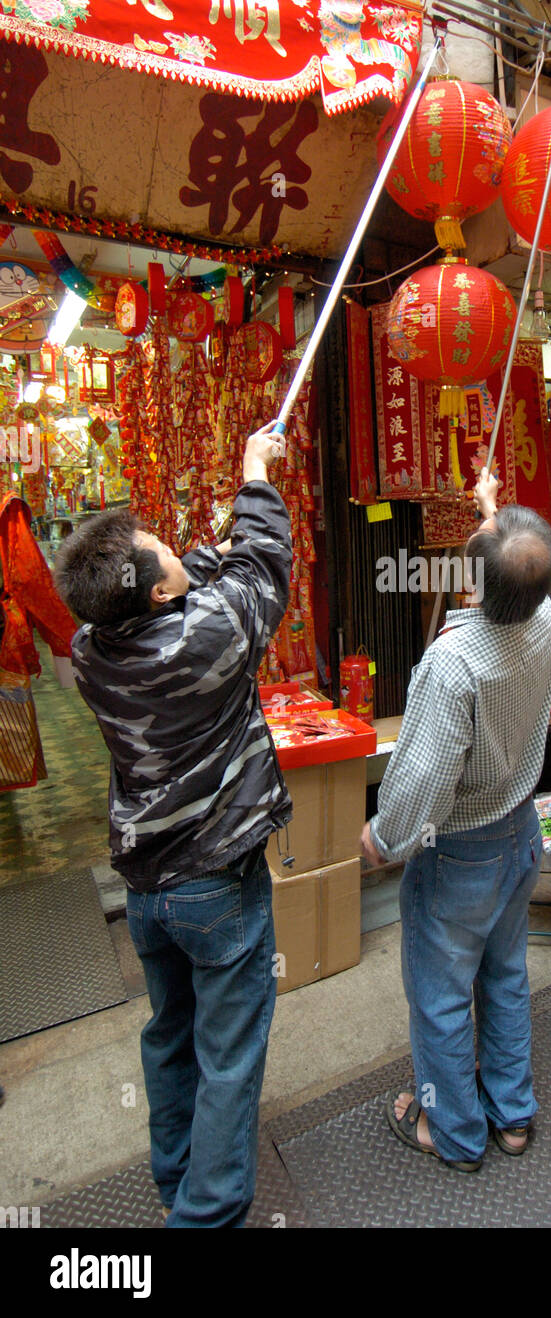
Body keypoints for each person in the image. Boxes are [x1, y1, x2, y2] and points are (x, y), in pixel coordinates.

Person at [54, 423, 291, 1227]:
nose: (173, 547)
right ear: (159, 593)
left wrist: (216, 534)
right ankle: (206, 1216)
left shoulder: (90, 648)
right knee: (228, 1055)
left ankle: (175, 1176)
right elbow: (262, 571)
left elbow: (214, 576)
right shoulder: (213, 633)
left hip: (148, 891)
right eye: (160, 548)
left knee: (170, 1034)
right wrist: (256, 472)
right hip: (216, 882)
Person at [361, 467, 551, 1171]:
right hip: (520, 836)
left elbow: (421, 779)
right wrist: (489, 506)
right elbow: (515, 557)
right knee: (504, 975)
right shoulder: (543, 617)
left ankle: (452, 1132)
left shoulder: (452, 663)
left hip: (461, 854)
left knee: (442, 998)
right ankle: (512, 1115)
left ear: (475, 580)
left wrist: (383, 838)